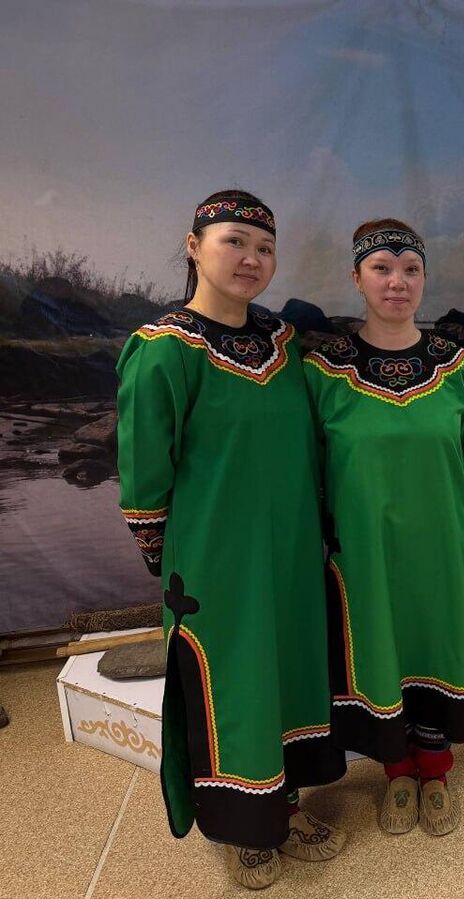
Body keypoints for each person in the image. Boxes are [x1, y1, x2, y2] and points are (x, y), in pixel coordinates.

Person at [116, 190, 346, 890]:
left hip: (291, 552)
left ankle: (285, 803)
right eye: (234, 241)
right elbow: (144, 467)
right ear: (194, 247)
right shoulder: (164, 349)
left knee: (290, 673)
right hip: (215, 559)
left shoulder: (284, 343)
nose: (251, 258)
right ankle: (241, 826)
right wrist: (162, 554)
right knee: (233, 682)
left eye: (265, 247)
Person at [305, 219, 464, 837]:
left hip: (437, 542)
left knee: (437, 647)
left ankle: (435, 771)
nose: (397, 282)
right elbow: (314, 466)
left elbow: (463, 455)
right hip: (364, 549)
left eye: (410, 269)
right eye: (381, 268)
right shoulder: (325, 370)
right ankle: (397, 772)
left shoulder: (455, 366)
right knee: (380, 651)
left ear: (425, 279)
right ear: (357, 278)